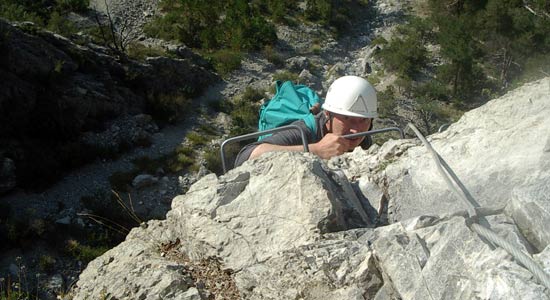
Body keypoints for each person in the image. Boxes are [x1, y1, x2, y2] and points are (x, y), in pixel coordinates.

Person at [234, 75, 378, 167]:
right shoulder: (304, 131)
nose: (356, 130)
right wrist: (316, 150)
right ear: (327, 114)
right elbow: (245, 157)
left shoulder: (360, 137)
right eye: (347, 119)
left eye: (364, 120)